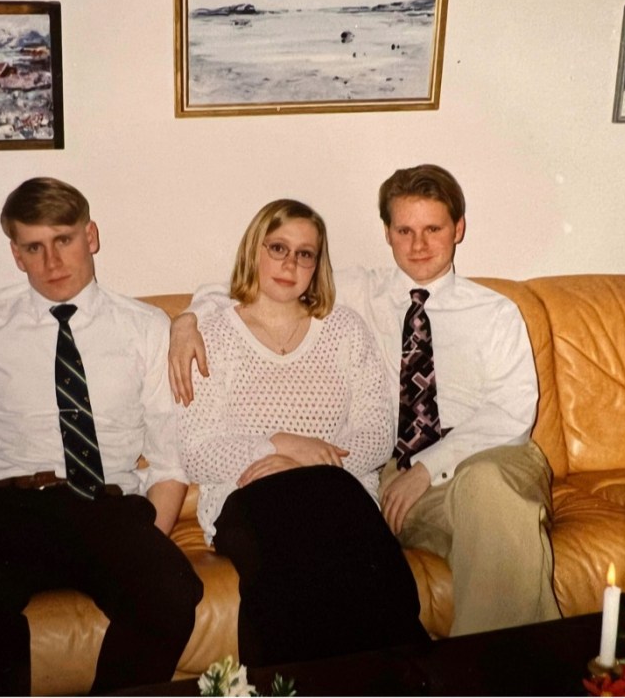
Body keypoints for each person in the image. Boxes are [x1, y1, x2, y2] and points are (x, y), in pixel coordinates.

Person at [170, 165, 561, 637]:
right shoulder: (358, 291)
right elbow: (255, 285)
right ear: (387, 233)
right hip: (399, 473)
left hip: (488, 457)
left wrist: (427, 468)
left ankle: (493, 670)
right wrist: (187, 320)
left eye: (433, 229)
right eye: (405, 230)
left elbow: (511, 415)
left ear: (458, 229)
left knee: (487, 492)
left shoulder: (495, 312)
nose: (418, 245)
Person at [0, 177, 203, 695]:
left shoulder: (145, 327)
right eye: (34, 247)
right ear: (16, 254)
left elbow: (169, 461)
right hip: (1, 511)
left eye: (64, 240)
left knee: (172, 592)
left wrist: (149, 541)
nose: (52, 262)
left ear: (91, 236)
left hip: (103, 506)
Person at [177, 198, 428, 667]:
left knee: (356, 558)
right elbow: (198, 450)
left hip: (339, 496)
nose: (290, 264)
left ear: (317, 265)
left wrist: (305, 462)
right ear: (255, 249)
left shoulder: (345, 329)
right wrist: (279, 446)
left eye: (305, 254)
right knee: (293, 565)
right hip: (249, 499)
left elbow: (377, 433)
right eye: (278, 248)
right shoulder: (212, 335)